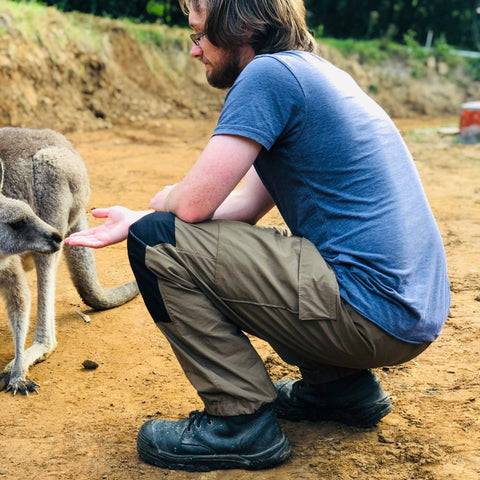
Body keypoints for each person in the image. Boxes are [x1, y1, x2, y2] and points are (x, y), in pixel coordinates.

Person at [65, 0, 450, 472]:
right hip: (405, 310)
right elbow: (241, 208)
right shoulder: (315, 75)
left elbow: (191, 206)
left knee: (157, 242)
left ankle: (239, 422)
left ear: (240, 25)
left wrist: (158, 206)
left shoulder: (266, 76)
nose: (195, 51)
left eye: (200, 37)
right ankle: (339, 389)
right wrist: (141, 214)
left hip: (370, 313)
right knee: (251, 243)